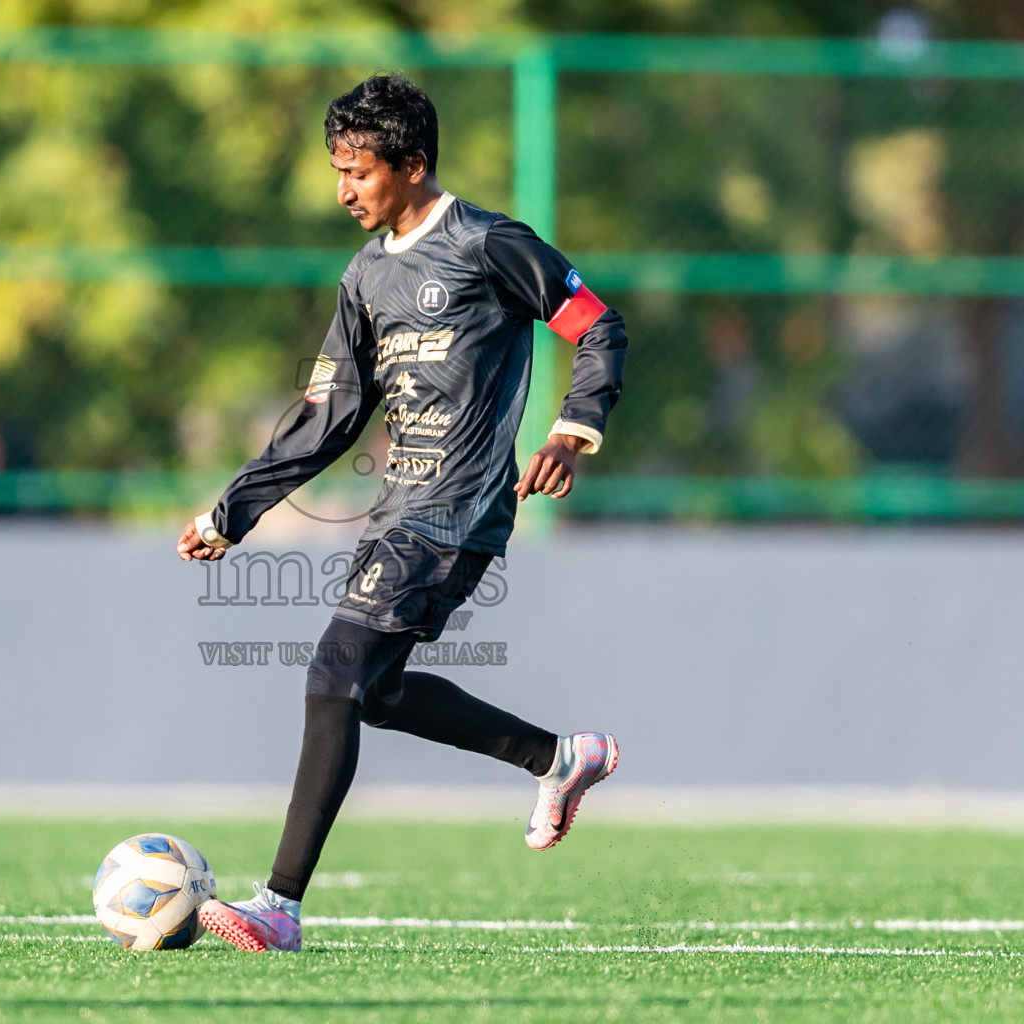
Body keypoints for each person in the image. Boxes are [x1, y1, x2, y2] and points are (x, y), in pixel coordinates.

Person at [175, 73, 627, 953]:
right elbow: (328, 417)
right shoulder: (365, 276)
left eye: (358, 171)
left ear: (413, 166)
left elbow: (598, 325)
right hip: (396, 514)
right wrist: (234, 513)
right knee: (371, 693)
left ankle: (280, 906)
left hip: (456, 514)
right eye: (337, 170)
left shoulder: (489, 244)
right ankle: (556, 758)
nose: (343, 190)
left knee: (334, 673)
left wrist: (572, 432)